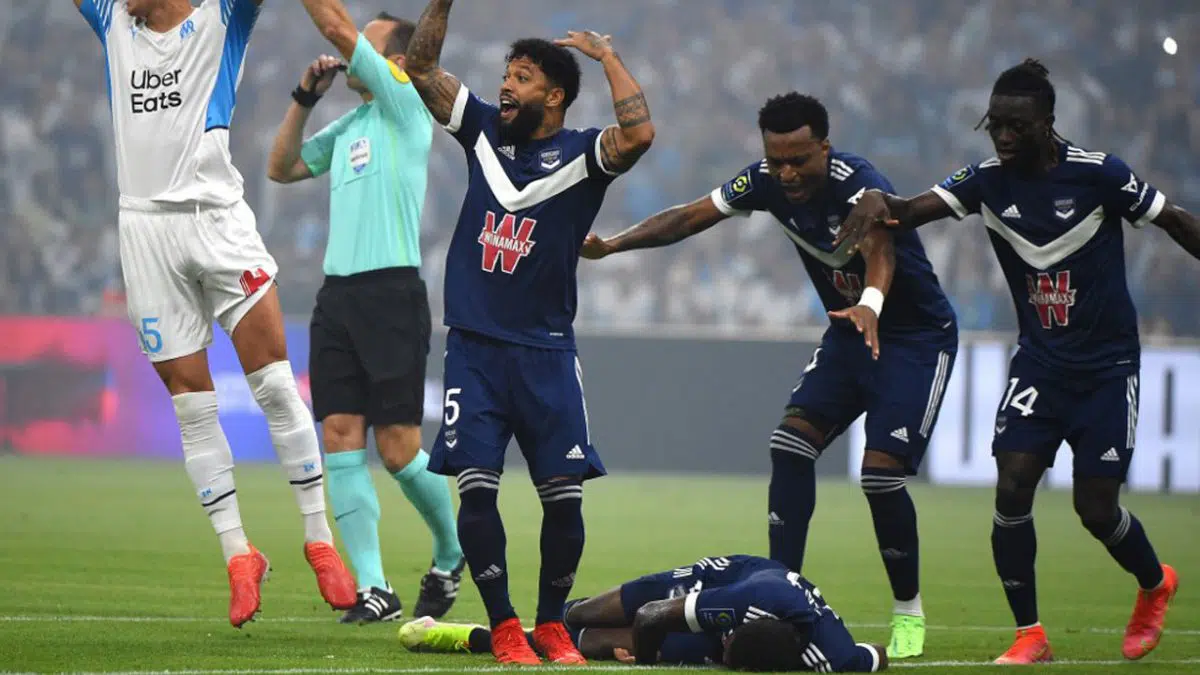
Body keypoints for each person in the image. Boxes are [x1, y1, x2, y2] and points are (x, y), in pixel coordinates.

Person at [836, 59, 1191, 665]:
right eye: (994, 124)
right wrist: (876, 199)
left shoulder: (1100, 175)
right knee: (1012, 486)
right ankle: (1030, 635)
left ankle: (1155, 584)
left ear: (1047, 122)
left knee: (1095, 509)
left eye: (1015, 126)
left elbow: (1175, 221)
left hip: (1107, 369)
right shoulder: (985, 181)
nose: (1002, 136)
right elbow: (908, 210)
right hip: (1039, 366)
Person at [582, 92, 957, 659]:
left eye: (799, 160)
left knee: (880, 477)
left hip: (915, 339)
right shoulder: (762, 182)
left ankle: (908, 612)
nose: (787, 173)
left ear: (824, 148)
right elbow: (688, 217)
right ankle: (782, 588)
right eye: (776, 160)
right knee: (789, 447)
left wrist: (871, 304)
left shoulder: (859, 185)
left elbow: (882, 250)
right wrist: (614, 245)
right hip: (849, 332)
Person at [71, 0, 356, 627]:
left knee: (275, 383)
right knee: (191, 405)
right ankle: (238, 555)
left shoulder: (223, 17)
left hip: (218, 222)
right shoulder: (114, 21)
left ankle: (319, 541)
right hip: (145, 231)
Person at [402, 0, 655, 664]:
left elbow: (639, 135)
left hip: (547, 354)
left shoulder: (583, 153)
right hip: (475, 349)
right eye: (505, 75)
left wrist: (607, 57)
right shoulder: (484, 130)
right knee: (476, 486)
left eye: (521, 77)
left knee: (564, 501)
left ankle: (550, 624)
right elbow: (421, 68)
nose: (506, 86)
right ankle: (505, 624)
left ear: (556, 94)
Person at [273, 0, 465, 625]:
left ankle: (452, 549)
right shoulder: (351, 124)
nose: (351, 50)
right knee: (339, 437)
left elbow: (335, 26)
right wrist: (304, 98)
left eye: (367, 44)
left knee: (400, 450)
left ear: (395, 62)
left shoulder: (405, 103)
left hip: (391, 294)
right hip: (338, 297)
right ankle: (375, 589)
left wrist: (335, 28)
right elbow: (282, 167)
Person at [398, 554, 888, 672]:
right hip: (728, 579)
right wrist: (646, 662)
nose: (721, 653)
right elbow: (653, 614)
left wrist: (884, 656)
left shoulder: (834, 657)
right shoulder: (734, 604)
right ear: (735, 629)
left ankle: (467, 636)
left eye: (726, 657)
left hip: (773, 609)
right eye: (727, 645)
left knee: (597, 647)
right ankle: (553, 619)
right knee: (590, 617)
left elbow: (876, 655)